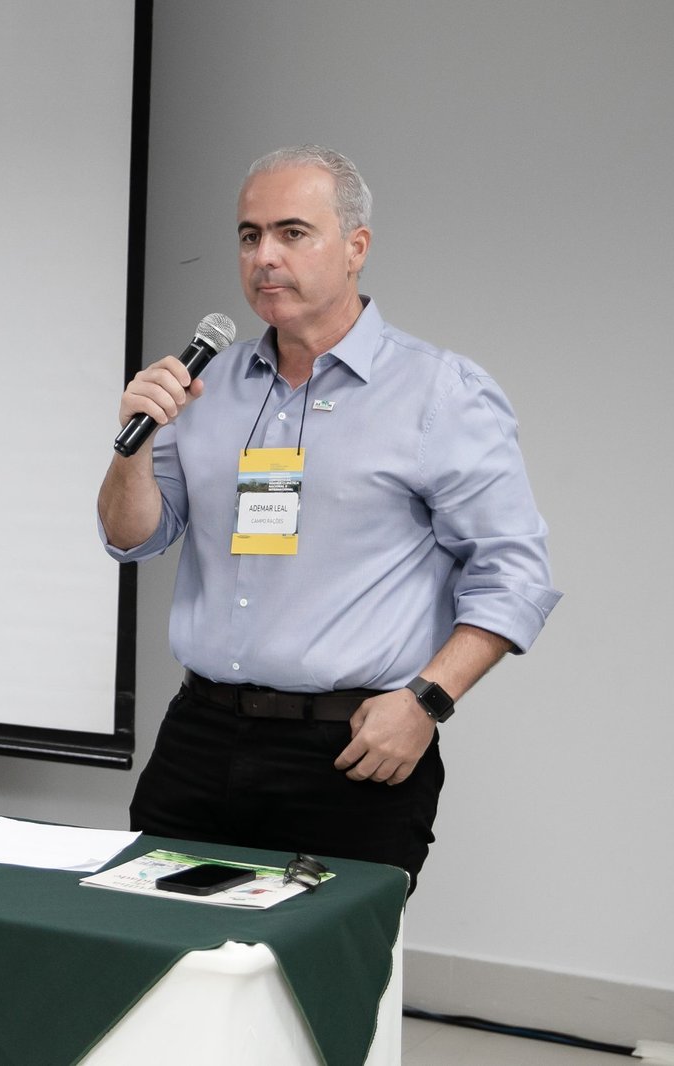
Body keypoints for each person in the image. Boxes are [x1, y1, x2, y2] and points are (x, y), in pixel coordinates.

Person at [97, 146, 560, 892]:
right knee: (154, 950)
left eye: (292, 233)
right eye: (249, 236)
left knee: (322, 962)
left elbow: (516, 577)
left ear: (356, 247)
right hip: (200, 738)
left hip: (350, 751)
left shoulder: (440, 393)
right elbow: (133, 537)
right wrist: (133, 446)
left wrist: (427, 702)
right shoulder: (202, 386)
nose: (265, 257)